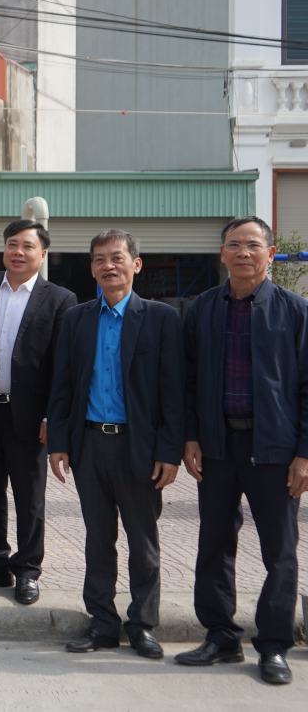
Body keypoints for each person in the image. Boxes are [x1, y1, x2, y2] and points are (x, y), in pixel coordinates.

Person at [177, 216, 307, 685]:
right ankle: (220, 636)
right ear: (222, 254)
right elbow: (188, 382)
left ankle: (273, 645)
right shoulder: (202, 309)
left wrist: (304, 454)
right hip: (216, 446)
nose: (243, 253)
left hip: (275, 448)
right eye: (234, 245)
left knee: (280, 550)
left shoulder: (295, 311)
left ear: (271, 254)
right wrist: (190, 436)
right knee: (213, 542)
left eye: (253, 245)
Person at [47, 230, 183, 659]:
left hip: (139, 449)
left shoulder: (161, 319)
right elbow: (63, 385)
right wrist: (59, 443)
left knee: (143, 541)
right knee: (98, 538)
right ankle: (102, 623)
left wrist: (168, 452)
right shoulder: (77, 318)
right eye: (100, 259)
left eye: (117, 257)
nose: (109, 265)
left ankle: (142, 624)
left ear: (136, 264)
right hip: (89, 445)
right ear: (91, 268)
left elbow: (173, 393)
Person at [0, 221, 75, 605]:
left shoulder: (59, 299)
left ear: (41, 254)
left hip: (30, 417)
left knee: (30, 496)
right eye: (12, 244)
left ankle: (27, 570)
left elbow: (64, 366)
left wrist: (52, 417)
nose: (18, 252)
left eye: (27, 246)